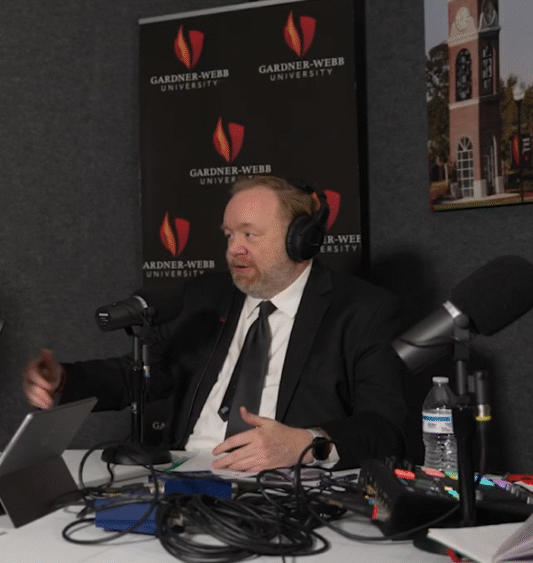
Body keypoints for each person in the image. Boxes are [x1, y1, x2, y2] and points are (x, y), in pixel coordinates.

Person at [24, 175, 407, 471]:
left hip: (284, 484)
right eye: (229, 235)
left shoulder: (361, 310)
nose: (233, 248)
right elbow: (144, 374)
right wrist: (64, 380)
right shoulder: (207, 296)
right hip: (184, 474)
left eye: (250, 235)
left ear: (301, 240)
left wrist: (307, 444)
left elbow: (386, 429)